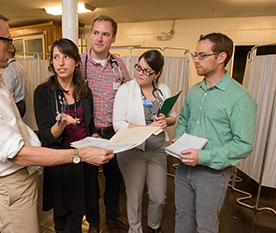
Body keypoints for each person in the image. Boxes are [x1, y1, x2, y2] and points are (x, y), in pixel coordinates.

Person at [0, 8, 114, 233]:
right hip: (13, 179)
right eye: (7, 40)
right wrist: (81, 154)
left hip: (28, 174)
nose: (11, 47)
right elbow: (18, 153)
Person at [173, 32, 257, 233]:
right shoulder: (194, 91)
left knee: (206, 225)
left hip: (212, 174)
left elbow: (244, 144)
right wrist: (180, 138)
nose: (195, 60)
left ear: (221, 57)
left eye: (202, 55)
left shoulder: (239, 98)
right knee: (182, 216)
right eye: (196, 54)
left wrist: (204, 156)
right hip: (184, 169)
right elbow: (183, 119)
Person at [34, 38, 101, 233]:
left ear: (77, 61)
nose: (61, 63)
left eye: (66, 57)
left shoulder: (84, 90)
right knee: (62, 219)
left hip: (84, 160)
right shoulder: (43, 92)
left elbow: (90, 125)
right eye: (56, 57)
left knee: (79, 212)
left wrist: (96, 136)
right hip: (61, 163)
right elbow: (47, 137)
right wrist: (61, 123)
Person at [113, 50, 176, 233]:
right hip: (133, 151)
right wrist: (143, 130)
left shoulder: (163, 89)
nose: (140, 73)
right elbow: (118, 124)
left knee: (158, 195)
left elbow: (172, 117)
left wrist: (166, 121)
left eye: (147, 71)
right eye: (139, 67)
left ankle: (154, 226)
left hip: (157, 150)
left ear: (157, 73)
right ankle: (135, 229)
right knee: (135, 196)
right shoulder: (126, 90)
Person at [80, 15, 131, 233]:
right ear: (90, 34)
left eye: (105, 34)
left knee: (114, 178)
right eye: (96, 32)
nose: (99, 38)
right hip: (89, 134)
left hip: (113, 134)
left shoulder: (119, 66)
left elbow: (130, 95)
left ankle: (112, 214)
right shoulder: (78, 64)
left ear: (113, 38)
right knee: (90, 182)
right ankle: (93, 221)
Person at [2, 44, 28, 117]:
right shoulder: (21, 67)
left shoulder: (8, 70)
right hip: (23, 104)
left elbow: (9, 93)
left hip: (15, 105)